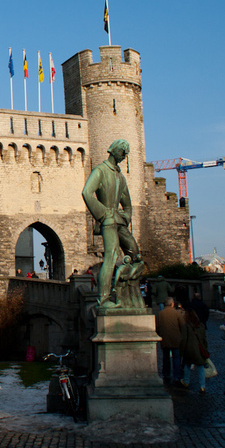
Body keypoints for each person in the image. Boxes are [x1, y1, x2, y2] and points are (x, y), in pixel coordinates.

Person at [81, 139, 142, 309]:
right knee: (112, 255)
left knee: (135, 254)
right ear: (112, 150)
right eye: (122, 151)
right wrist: (102, 214)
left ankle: (126, 292)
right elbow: (87, 192)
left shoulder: (120, 177)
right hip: (108, 219)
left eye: (126, 153)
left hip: (119, 221)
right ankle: (104, 299)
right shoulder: (100, 170)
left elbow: (127, 204)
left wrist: (126, 216)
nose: (125, 155)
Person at [179, 309, 209, 394]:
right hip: (199, 350)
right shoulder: (201, 326)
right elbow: (204, 339)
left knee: (187, 365)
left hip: (189, 349)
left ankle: (186, 381)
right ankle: (202, 386)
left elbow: (184, 339)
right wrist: (205, 349)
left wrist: (182, 350)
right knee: (200, 368)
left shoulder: (186, 326)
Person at [155, 297, 184, 385]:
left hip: (165, 339)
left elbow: (157, 326)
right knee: (176, 358)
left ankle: (166, 374)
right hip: (176, 339)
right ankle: (177, 376)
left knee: (166, 358)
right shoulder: (176, 313)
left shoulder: (160, 314)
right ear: (172, 304)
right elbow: (182, 325)